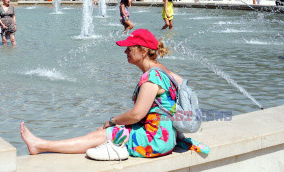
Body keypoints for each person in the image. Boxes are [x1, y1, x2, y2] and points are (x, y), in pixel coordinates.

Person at [20, 29, 209, 160]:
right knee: (100, 133)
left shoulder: (152, 76)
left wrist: (112, 120)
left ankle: (41, 145)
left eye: (130, 47)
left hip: (155, 140)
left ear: (143, 51)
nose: (125, 51)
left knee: (105, 133)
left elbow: (137, 114)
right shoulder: (165, 71)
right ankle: (42, 145)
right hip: (165, 136)